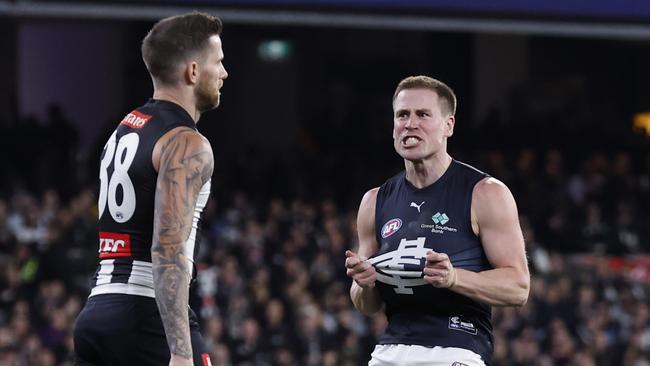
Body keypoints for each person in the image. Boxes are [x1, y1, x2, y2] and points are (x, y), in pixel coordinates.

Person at [73, 12, 228, 366]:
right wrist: (180, 351)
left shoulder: (124, 129)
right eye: (218, 62)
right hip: (145, 316)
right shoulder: (187, 143)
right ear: (192, 72)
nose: (223, 73)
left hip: (97, 311)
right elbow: (167, 248)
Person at [345, 75, 529, 366]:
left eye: (422, 115)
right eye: (402, 115)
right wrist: (364, 283)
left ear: (449, 125)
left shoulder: (484, 193)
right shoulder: (374, 201)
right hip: (390, 350)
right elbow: (367, 305)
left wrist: (453, 277)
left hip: (456, 346)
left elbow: (518, 287)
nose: (410, 124)